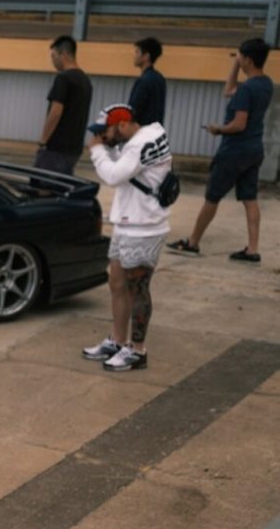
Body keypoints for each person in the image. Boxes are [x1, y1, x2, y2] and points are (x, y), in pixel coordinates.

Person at [81, 104, 172, 373]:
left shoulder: (139, 145)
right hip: (127, 222)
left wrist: (97, 150)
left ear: (122, 125)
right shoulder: (143, 136)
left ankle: (137, 351)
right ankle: (118, 341)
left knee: (138, 288)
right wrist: (108, 146)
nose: (102, 137)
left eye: (104, 131)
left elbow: (112, 175)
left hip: (144, 226)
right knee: (117, 282)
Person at [168, 38, 271, 263]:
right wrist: (236, 64)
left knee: (212, 196)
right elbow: (228, 90)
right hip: (254, 149)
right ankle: (253, 249)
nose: (238, 60)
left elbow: (239, 124)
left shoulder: (247, 90)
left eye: (241, 57)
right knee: (250, 198)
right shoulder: (266, 84)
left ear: (249, 60)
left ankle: (193, 242)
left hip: (234, 151)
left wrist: (218, 129)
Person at [35, 35, 93, 176]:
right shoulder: (86, 81)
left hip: (56, 148)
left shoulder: (63, 78)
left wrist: (43, 141)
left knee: (43, 189)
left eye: (54, 56)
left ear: (64, 55)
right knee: (62, 187)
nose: (52, 60)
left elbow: (55, 112)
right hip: (74, 149)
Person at [128, 37, 166, 127]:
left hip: (141, 131)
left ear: (146, 56)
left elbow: (134, 110)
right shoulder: (160, 79)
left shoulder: (144, 81)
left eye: (137, 52)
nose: (135, 55)